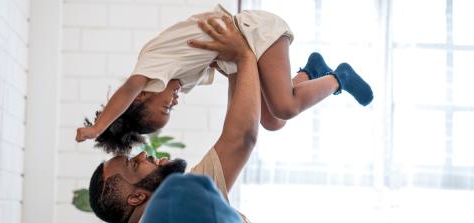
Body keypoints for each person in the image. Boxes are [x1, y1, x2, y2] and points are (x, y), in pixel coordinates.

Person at [88, 17, 316, 223]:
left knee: (276, 117)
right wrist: (243, 56)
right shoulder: (182, 204)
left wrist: (237, 65)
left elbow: (237, 133)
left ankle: (309, 75)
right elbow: (241, 138)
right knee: (279, 114)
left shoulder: (173, 211)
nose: (144, 155)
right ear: (135, 198)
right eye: (135, 164)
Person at [75, 4, 373, 154]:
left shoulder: (151, 67)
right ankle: (309, 73)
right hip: (242, 52)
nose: (174, 102)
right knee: (272, 122)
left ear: (141, 95)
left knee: (285, 107)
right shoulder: (176, 76)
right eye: (172, 110)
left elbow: (127, 89)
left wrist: (99, 128)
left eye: (165, 107)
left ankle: (339, 78)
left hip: (252, 33)